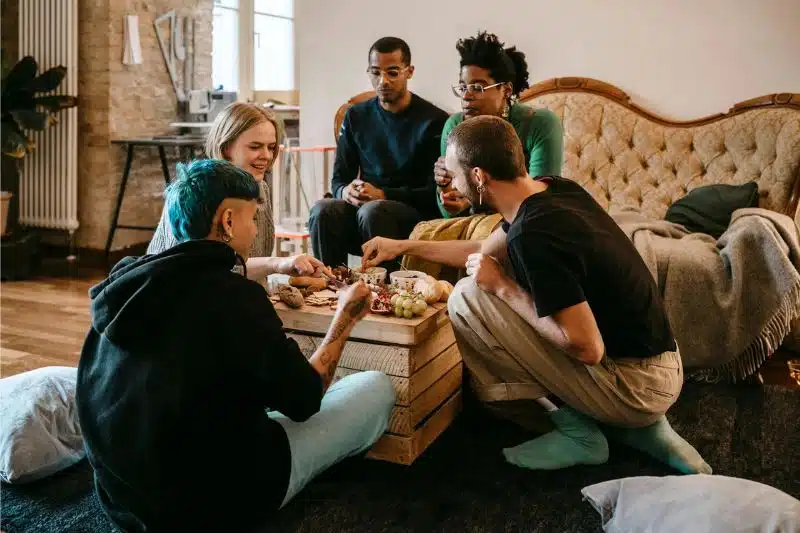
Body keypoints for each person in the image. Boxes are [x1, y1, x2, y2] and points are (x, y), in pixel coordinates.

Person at [361, 116, 711, 475]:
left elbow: (588, 348)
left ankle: (581, 433)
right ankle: (643, 429)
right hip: (661, 365)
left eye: (453, 175)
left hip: (639, 386)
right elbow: (484, 248)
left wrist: (502, 288)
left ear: (479, 177)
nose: (451, 185)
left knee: (467, 299)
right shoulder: (551, 188)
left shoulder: (534, 235)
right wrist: (400, 245)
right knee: (486, 280)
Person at [77, 159, 396, 533]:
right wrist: (345, 318)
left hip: (123, 496)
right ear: (228, 221)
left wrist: (280, 264)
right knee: (376, 387)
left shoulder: (127, 278)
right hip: (214, 503)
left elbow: (195, 270)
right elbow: (306, 400)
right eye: (252, 219)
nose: (255, 227)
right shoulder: (235, 300)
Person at [402, 31, 564, 279]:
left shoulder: (539, 123)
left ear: (506, 90)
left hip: (524, 219)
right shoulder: (454, 126)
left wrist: (472, 198)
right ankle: (426, 310)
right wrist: (447, 191)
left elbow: (538, 200)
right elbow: (448, 213)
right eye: (463, 87)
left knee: (485, 237)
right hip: (474, 220)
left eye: (477, 87)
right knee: (424, 234)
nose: (466, 96)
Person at [308, 36, 449, 271]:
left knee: (373, 210)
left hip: (410, 214)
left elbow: (433, 194)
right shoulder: (355, 116)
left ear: (409, 71)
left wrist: (383, 194)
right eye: (375, 72)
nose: (383, 81)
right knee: (324, 210)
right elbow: (339, 179)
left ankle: (387, 292)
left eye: (392, 72)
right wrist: (346, 192)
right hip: (366, 210)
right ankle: (329, 285)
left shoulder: (434, 121)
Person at [148, 101, 326, 281]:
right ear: (226, 148)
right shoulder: (196, 193)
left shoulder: (260, 188)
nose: (267, 155)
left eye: (271, 147)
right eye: (255, 147)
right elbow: (200, 271)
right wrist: (276, 263)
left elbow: (242, 267)